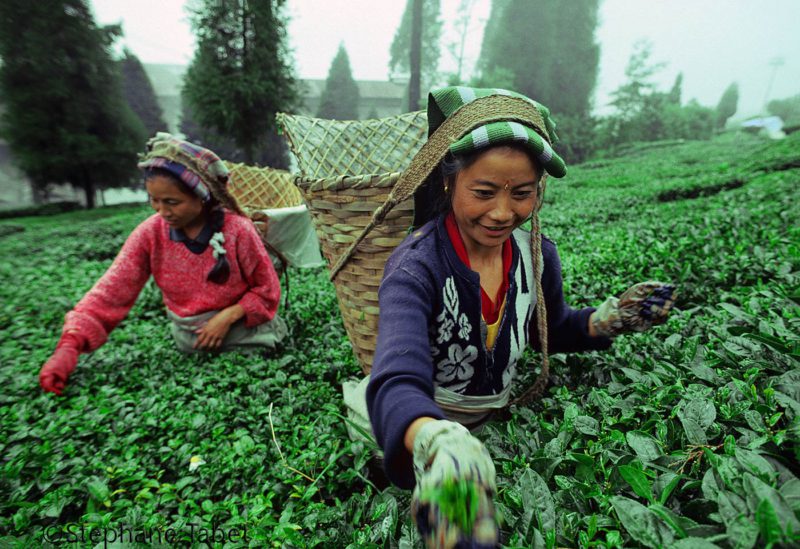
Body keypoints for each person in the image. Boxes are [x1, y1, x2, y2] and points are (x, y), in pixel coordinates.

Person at [357, 87, 676, 548]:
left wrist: (609, 319)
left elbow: (553, 327)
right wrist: (437, 442)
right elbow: (396, 379)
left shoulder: (536, 256)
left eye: (522, 193)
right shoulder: (416, 266)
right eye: (483, 192)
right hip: (422, 428)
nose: (503, 213)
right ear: (449, 183)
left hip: (496, 416)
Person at [39, 134, 288, 396]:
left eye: (172, 202)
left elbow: (267, 289)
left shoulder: (238, 230)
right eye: (154, 200)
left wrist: (228, 316)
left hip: (247, 337)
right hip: (190, 341)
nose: (162, 211)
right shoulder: (150, 234)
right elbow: (112, 289)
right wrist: (70, 343)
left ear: (202, 196)